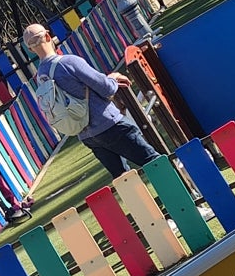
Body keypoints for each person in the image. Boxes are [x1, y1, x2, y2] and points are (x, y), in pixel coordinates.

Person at [22, 23, 160, 177]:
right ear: (48, 36)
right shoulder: (68, 62)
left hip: (87, 135)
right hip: (108, 124)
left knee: (124, 179)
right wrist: (113, 78)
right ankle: (183, 198)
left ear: (30, 49)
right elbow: (106, 88)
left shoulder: (41, 76)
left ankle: (141, 201)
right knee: (154, 162)